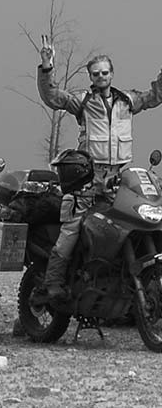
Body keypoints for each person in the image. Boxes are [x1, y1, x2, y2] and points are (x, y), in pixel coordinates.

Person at [34, 36, 162, 305]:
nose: (101, 77)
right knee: (71, 230)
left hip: (118, 179)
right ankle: (53, 284)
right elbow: (52, 97)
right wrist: (46, 67)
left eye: (105, 72)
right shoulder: (83, 101)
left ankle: (123, 284)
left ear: (112, 74)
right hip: (87, 181)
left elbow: (154, 97)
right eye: (96, 74)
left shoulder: (127, 101)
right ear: (90, 77)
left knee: (133, 224)